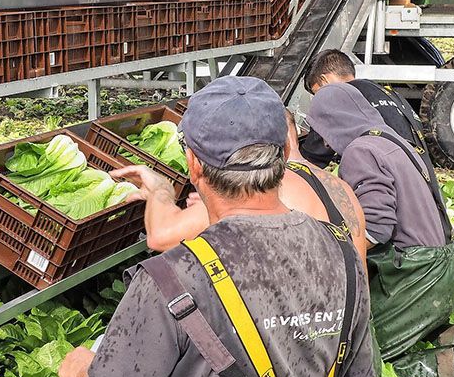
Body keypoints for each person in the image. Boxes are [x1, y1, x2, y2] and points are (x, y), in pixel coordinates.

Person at [58, 76, 376, 377]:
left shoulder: (170, 279)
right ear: (284, 152)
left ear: (193, 164)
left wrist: (84, 375)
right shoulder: (343, 254)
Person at [305, 83, 454, 377]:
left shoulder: (359, 152)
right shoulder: (390, 139)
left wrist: (328, 261)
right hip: (447, 266)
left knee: (354, 358)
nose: (324, 140)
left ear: (334, 121)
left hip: (420, 277)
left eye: (323, 129)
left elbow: (376, 228)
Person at [141, 107, 369, 267]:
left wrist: (159, 189)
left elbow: (161, 236)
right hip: (349, 327)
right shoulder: (339, 187)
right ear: (293, 137)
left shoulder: (262, 188)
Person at [299, 49, 433, 177]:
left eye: (317, 93)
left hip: (387, 179)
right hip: (421, 177)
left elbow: (313, 156)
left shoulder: (337, 97)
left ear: (324, 80)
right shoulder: (388, 93)